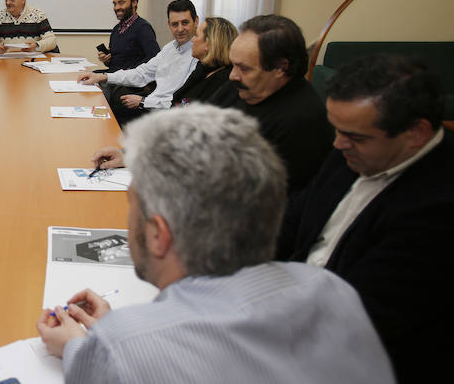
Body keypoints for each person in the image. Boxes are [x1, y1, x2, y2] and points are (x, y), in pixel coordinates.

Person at [36, 105, 394, 384]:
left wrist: (76, 347)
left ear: (159, 234)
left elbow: (111, 365)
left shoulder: (123, 348)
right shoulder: (333, 290)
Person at [276, 55, 454, 383]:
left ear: (416, 133)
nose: (337, 144)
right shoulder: (352, 148)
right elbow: (293, 222)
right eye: (337, 130)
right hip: (295, 307)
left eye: (355, 137)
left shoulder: (441, 207)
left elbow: (359, 316)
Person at [209, 14, 332, 192]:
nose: (232, 76)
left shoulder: (303, 122)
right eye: (233, 65)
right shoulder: (240, 85)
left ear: (280, 68)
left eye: (244, 68)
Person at [78, 0, 199, 124]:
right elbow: (142, 73)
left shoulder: (198, 55)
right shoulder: (170, 48)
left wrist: (143, 102)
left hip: (167, 117)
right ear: (169, 24)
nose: (180, 29)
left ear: (196, 21)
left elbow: (184, 100)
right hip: (152, 107)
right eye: (175, 24)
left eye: (185, 23)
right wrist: (103, 76)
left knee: (108, 118)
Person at [171, 16, 237, 106]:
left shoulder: (225, 78)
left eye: (196, 35)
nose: (193, 40)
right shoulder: (202, 67)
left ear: (209, 43)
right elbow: (180, 99)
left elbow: (189, 106)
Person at [97, 0, 159, 72]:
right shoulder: (116, 29)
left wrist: (129, 72)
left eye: (121, 3)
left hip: (129, 81)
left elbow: (154, 59)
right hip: (115, 77)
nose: (116, 7)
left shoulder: (143, 28)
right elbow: (116, 64)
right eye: (115, 4)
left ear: (134, 3)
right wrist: (107, 60)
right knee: (84, 78)